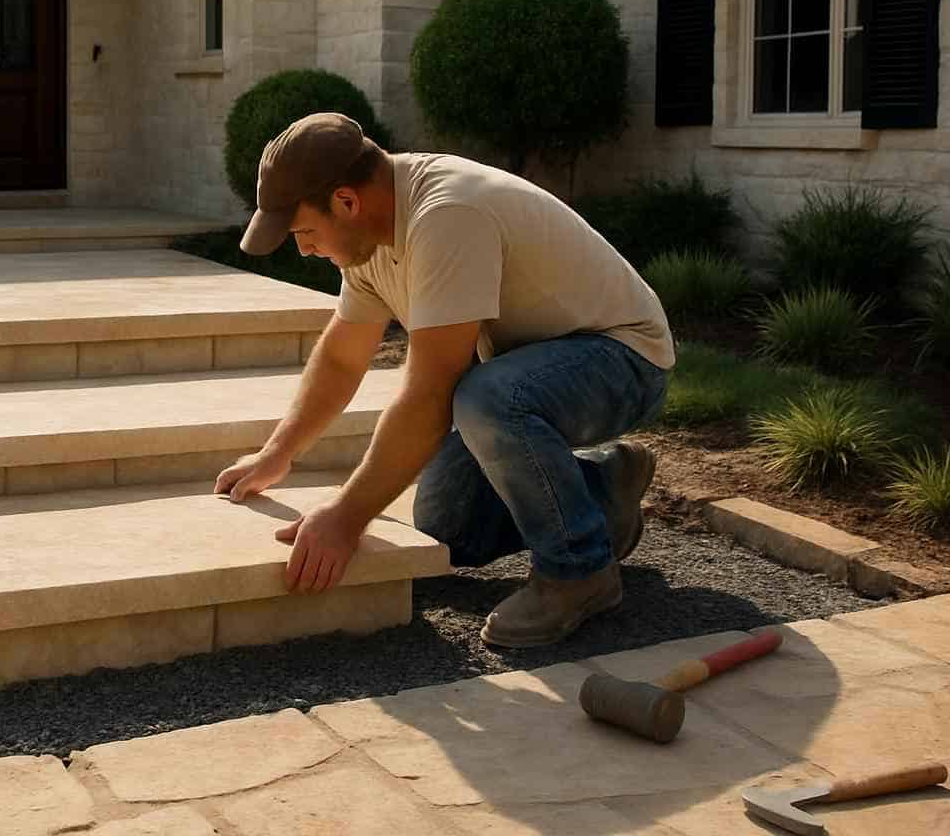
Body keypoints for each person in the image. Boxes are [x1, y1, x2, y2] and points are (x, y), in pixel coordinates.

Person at [215, 111, 674, 648]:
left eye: (304, 232)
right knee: (449, 525)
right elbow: (341, 359)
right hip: (529, 369)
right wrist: (278, 452)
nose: (305, 249)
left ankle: (579, 571)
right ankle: (601, 490)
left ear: (345, 201)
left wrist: (345, 516)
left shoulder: (447, 215)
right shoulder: (370, 237)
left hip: (623, 359)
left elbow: (430, 393)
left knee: (485, 399)